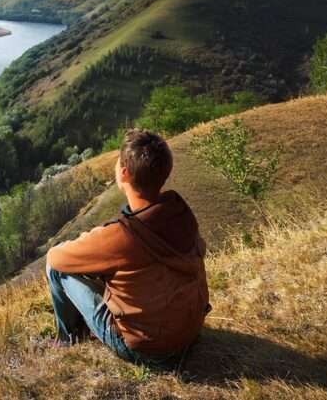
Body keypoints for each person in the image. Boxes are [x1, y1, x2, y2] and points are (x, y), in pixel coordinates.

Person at [45, 129, 209, 366]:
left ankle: (68, 338)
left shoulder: (122, 236)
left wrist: (93, 244)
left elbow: (56, 257)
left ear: (124, 172)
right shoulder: (180, 214)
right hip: (190, 331)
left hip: (147, 349)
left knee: (56, 269)